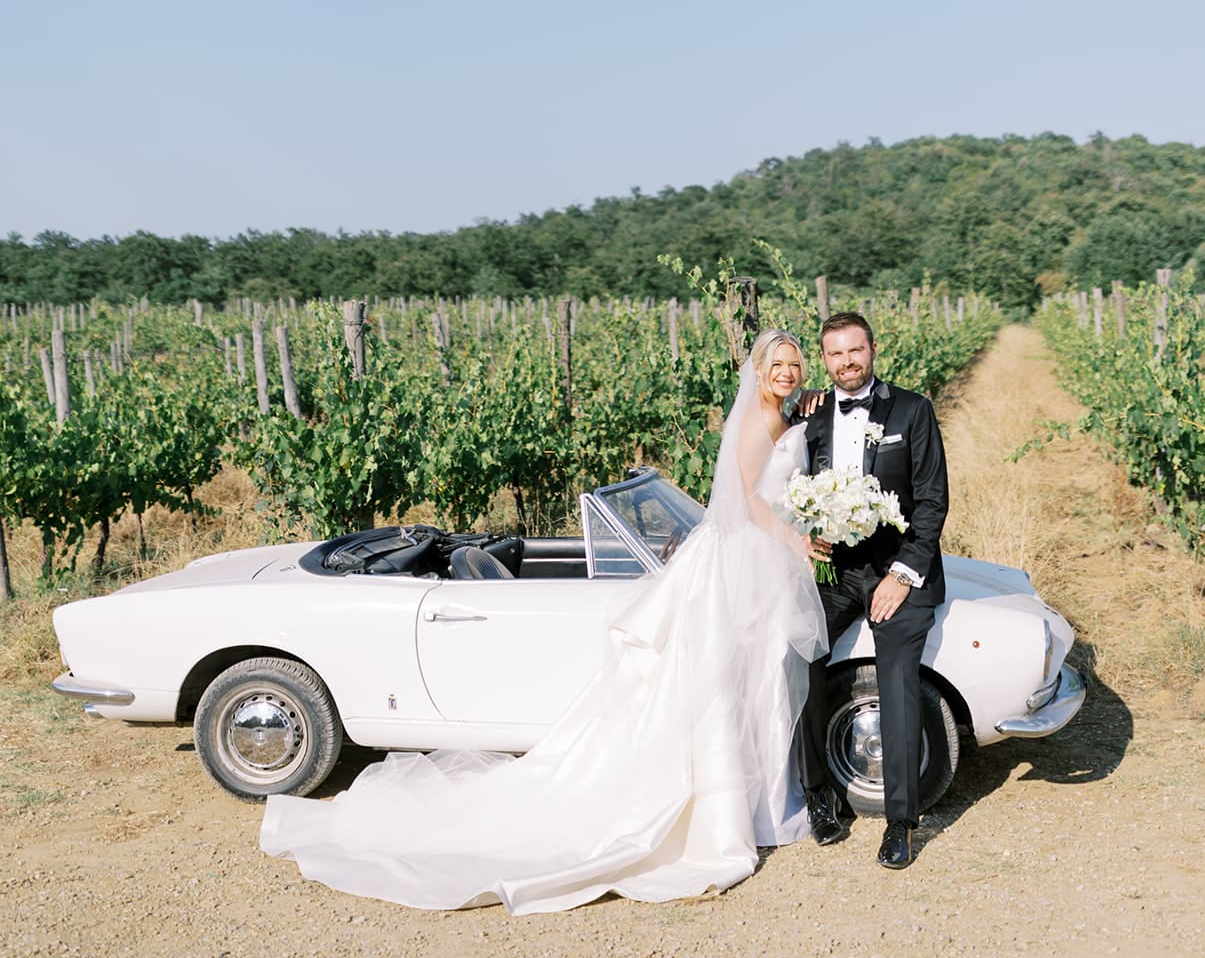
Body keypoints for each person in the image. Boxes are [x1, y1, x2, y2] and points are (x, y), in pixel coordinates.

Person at [259, 330, 828, 913]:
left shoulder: (783, 414)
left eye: (793, 364)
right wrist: (797, 537)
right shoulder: (758, 425)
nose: (786, 371)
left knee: (751, 685)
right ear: (756, 371)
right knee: (721, 690)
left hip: (755, 564)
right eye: (776, 364)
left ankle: (757, 799)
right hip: (747, 561)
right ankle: (731, 810)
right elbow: (750, 501)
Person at [797, 311, 948, 869]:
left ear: (873, 349)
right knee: (798, 653)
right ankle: (818, 795)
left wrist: (903, 574)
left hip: (895, 568)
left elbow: (932, 503)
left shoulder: (912, 411)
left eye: (854, 351)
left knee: (897, 676)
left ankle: (902, 821)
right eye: (835, 354)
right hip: (835, 571)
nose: (846, 362)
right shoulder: (808, 417)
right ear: (825, 360)